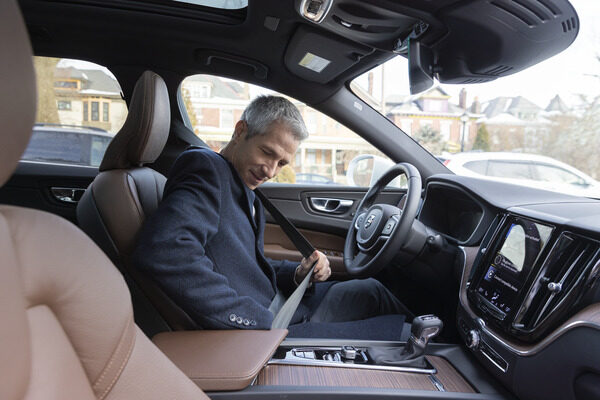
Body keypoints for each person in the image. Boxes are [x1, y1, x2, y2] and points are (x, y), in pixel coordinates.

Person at [132, 95, 407, 331]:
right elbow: (166, 251)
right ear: (240, 131)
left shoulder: (240, 183)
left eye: (282, 163)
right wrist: (253, 320)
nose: (270, 171)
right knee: (402, 334)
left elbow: (245, 263)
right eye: (267, 153)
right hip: (271, 326)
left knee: (373, 290)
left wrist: (299, 274)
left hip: (281, 303)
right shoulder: (206, 169)